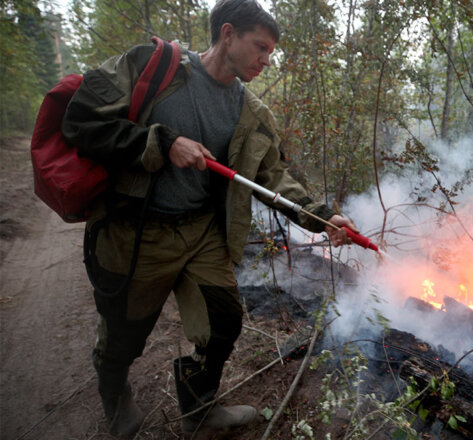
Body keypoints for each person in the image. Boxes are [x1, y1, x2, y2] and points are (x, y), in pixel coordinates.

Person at [61, 0, 358, 436]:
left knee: (224, 323)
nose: (266, 60)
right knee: (124, 335)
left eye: (271, 52)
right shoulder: (151, 66)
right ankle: (115, 392)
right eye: (260, 47)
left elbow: (275, 179)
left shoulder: (253, 113)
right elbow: (82, 122)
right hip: (135, 234)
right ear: (227, 34)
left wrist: (324, 217)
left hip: (202, 234)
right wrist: (159, 142)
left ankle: (198, 409)